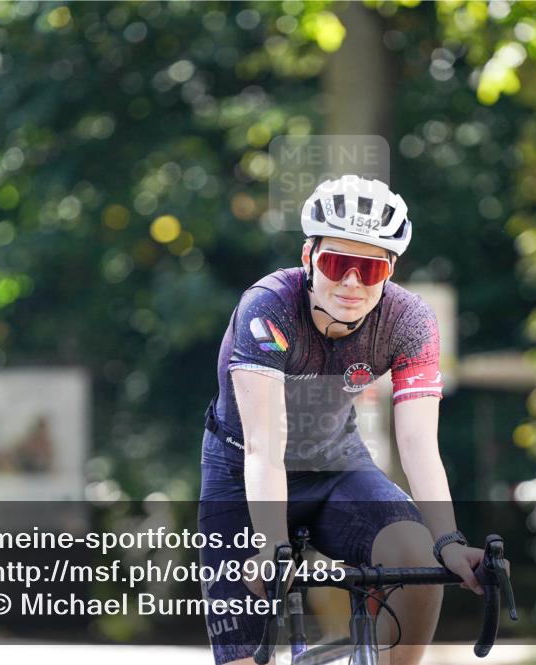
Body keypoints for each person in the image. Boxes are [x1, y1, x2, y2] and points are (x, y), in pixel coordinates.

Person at [199, 175, 487, 665]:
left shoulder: (408, 320)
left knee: (417, 553)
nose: (352, 282)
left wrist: (450, 541)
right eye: (337, 263)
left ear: (390, 271)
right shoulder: (267, 308)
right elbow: (263, 447)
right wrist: (270, 547)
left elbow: (418, 442)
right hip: (242, 470)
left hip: (338, 466)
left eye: (370, 269)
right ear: (310, 258)